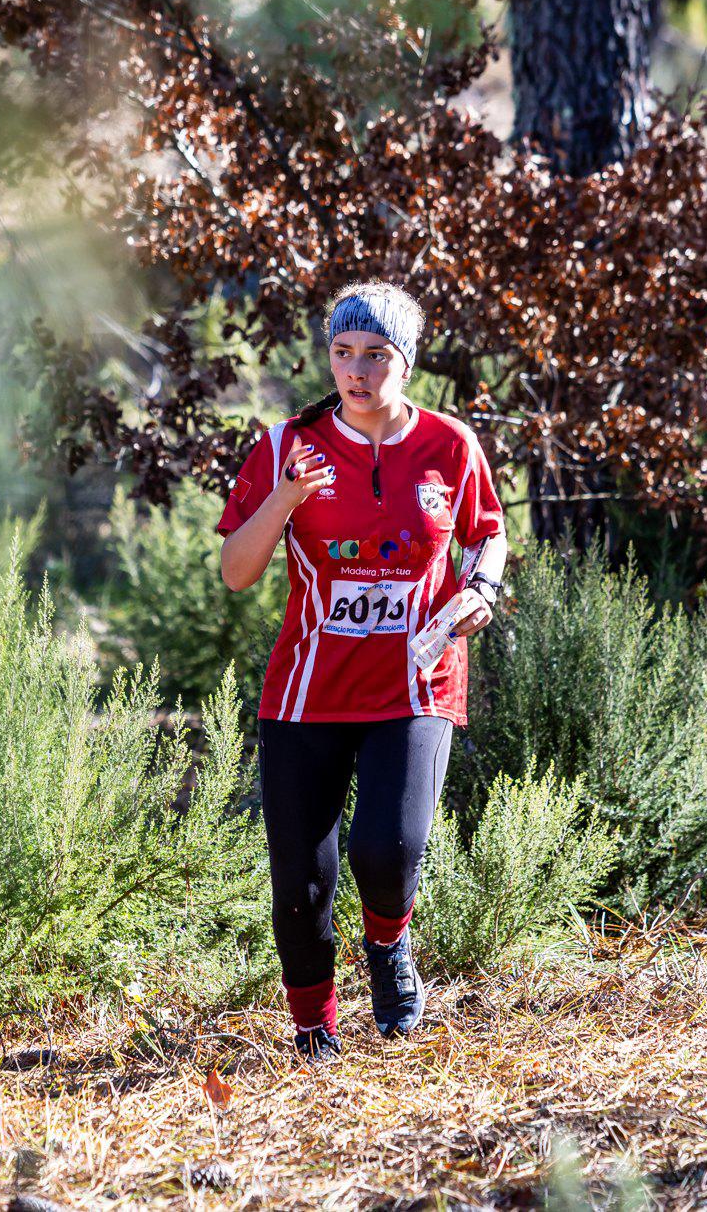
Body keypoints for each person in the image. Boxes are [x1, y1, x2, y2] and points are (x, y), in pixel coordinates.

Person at [216, 284, 508, 1061]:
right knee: (303, 886)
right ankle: (315, 1030)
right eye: (343, 353)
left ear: (406, 362)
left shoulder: (450, 446)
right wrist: (284, 497)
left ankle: (390, 946)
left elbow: (488, 534)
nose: (357, 369)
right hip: (307, 692)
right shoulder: (286, 447)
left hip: (416, 684)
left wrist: (482, 588)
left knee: (386, 849)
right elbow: (236, 572)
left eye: (376, 354)